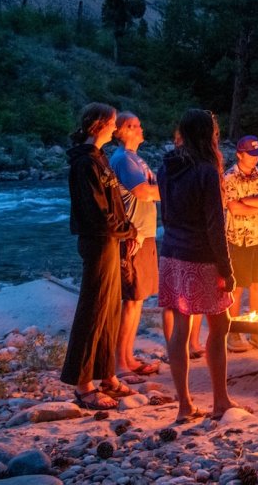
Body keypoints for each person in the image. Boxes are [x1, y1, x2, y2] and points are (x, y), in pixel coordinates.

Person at [157, 108, 244, 423]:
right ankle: (220, 400)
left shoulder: (166, 167)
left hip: (171, 253)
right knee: (220, 326)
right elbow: (215, 225)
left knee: (180, 328)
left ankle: (184, 405)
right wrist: (227, 269)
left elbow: (165, 215)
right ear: (209, 135)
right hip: (201, 256)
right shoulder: (207, 170)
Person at [61, 103, 137, 410]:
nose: (116, 127)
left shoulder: (100, 158)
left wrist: (127, 230)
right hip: (98, 242)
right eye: (113, 122)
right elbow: (96, 212)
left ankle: (107, 375)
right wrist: (124, 230)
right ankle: (83, 385)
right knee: (93, 310)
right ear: (100, 125)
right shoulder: (85, 163)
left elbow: (113, 203)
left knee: (110, 309)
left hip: (111, 240)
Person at [108, 112, 163, 380]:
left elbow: (152, 190)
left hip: (144, 233)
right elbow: (143, 191)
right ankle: (119, 362)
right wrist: (173, 190)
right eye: (131, 126)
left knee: (137, 299)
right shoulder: (123, 159)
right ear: (119, 132)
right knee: (130, 300)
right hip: (134, 236)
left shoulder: (134, 158)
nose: (139, 129)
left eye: (139, 124)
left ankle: (128, 357)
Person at [222, 134, 258, 352]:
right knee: (237, 287)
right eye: (251, 154)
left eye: (257, 154)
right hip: (237, 239)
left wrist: (247, 201)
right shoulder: (229, 177)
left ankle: (256, 330)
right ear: (239, 154)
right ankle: (233, 332)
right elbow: (234, 209)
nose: (255, 158)